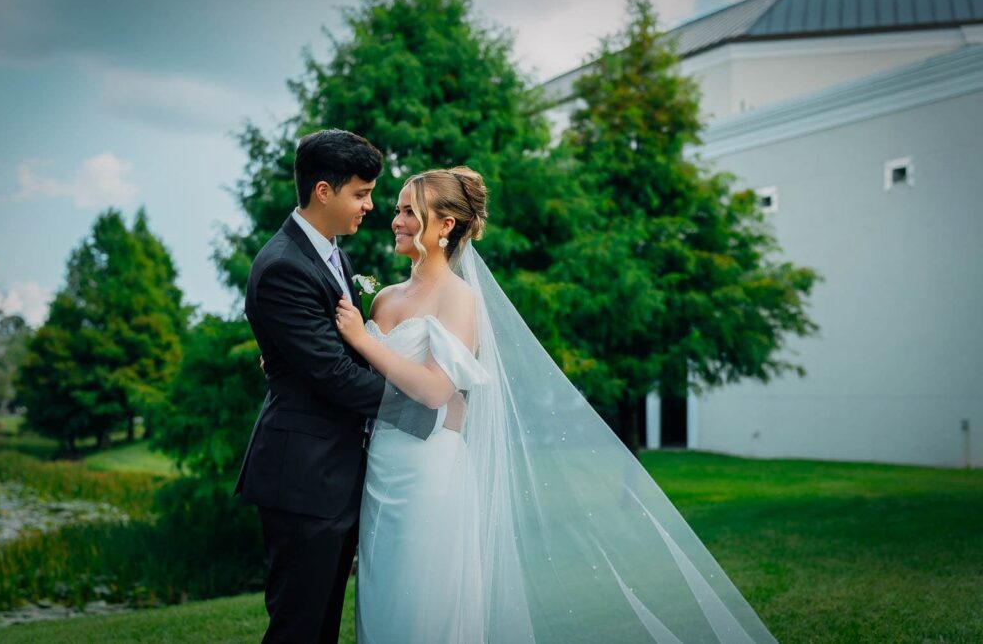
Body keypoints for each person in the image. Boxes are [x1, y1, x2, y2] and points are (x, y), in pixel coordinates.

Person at [335, 167, 778, 643]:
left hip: (430, 474)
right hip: (381, 466)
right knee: (381, 600)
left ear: (446, 226)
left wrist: (362, 339)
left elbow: (434, 391)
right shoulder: (383, 300)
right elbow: (365, 383)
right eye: (398, 209)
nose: (396, 219)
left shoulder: (458, 299)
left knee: (422, 598)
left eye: (409, 211)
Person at [233, 128, 436, 644]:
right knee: (299, 628)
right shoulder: (283, 266)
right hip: (303, 476)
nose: (370, 206)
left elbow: (328, 354)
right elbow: (335, 375)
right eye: (361, 193)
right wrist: (425, 410)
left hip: (332, 472)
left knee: (321, 625)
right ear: (324, 191)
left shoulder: (329, 254)